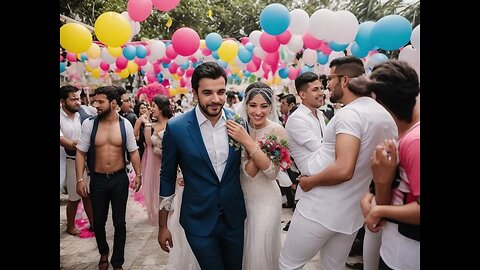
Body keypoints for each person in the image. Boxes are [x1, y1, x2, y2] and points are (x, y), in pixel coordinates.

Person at [279, 56, 397, 270]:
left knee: (288, 264)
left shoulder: (349, 114)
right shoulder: (385, 115)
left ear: (344, 80)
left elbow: (344, 169)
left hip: (319, 206)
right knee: (333, 267)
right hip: (351, 213)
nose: (326, 86)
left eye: (329, 79)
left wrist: (309, 182)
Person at [157, 61, 246, 270]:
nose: (216, 99)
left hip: (233, 218)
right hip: (197, 219)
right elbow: (167, 175)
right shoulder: (177, 127)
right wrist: (163, 225)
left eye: (221, 92)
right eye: (208, 93)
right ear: (195, 94)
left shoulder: (238, 122)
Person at [360, 60, 420, 270]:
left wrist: (378, 211)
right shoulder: (403, 133)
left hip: (407, 254)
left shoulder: (415, 141)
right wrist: (373, 192)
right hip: (393, 245)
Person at [75, 86, 142, 270]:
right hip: (97, 180)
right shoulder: (89, 124)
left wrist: (139, 174)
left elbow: (133, 152)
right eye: (95, 101)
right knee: (98, 221)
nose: (96, 105)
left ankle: (117, 261)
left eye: (100, 101)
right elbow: (80, 153)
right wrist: (80, 179)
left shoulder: (124, 125)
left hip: (119, 179)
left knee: (120, 222)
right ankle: (103, 251)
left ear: (113, 104)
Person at [227, 84, 287, 270]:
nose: (258, 111)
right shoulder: (235, 128)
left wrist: (246, 140)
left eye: (264, 106)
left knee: (260, 250)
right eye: (253, 105)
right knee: (244, 249)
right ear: (245, 105)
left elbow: (270, 172)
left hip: (266, 200)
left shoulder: (277, 131)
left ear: (271, 107)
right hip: (240, 199)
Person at [283, 71, 327, 231]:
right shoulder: (297, 119)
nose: (321, 92)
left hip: (326, 183)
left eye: (321, 88)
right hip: (311, 189)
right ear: (302, 94)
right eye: (315, 89)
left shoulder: (320, 115)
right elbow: (321, 148)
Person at [60, 85, 94, 235]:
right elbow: (62, 140)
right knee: (74, 197)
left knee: (89, 194)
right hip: (70, 160)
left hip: (89, 159)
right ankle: (70, 226)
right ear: (63, 101)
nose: (77, 102)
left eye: (78, 98)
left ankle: (94, 223)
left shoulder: (84, 112)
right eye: (73, 99)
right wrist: (76, 144)